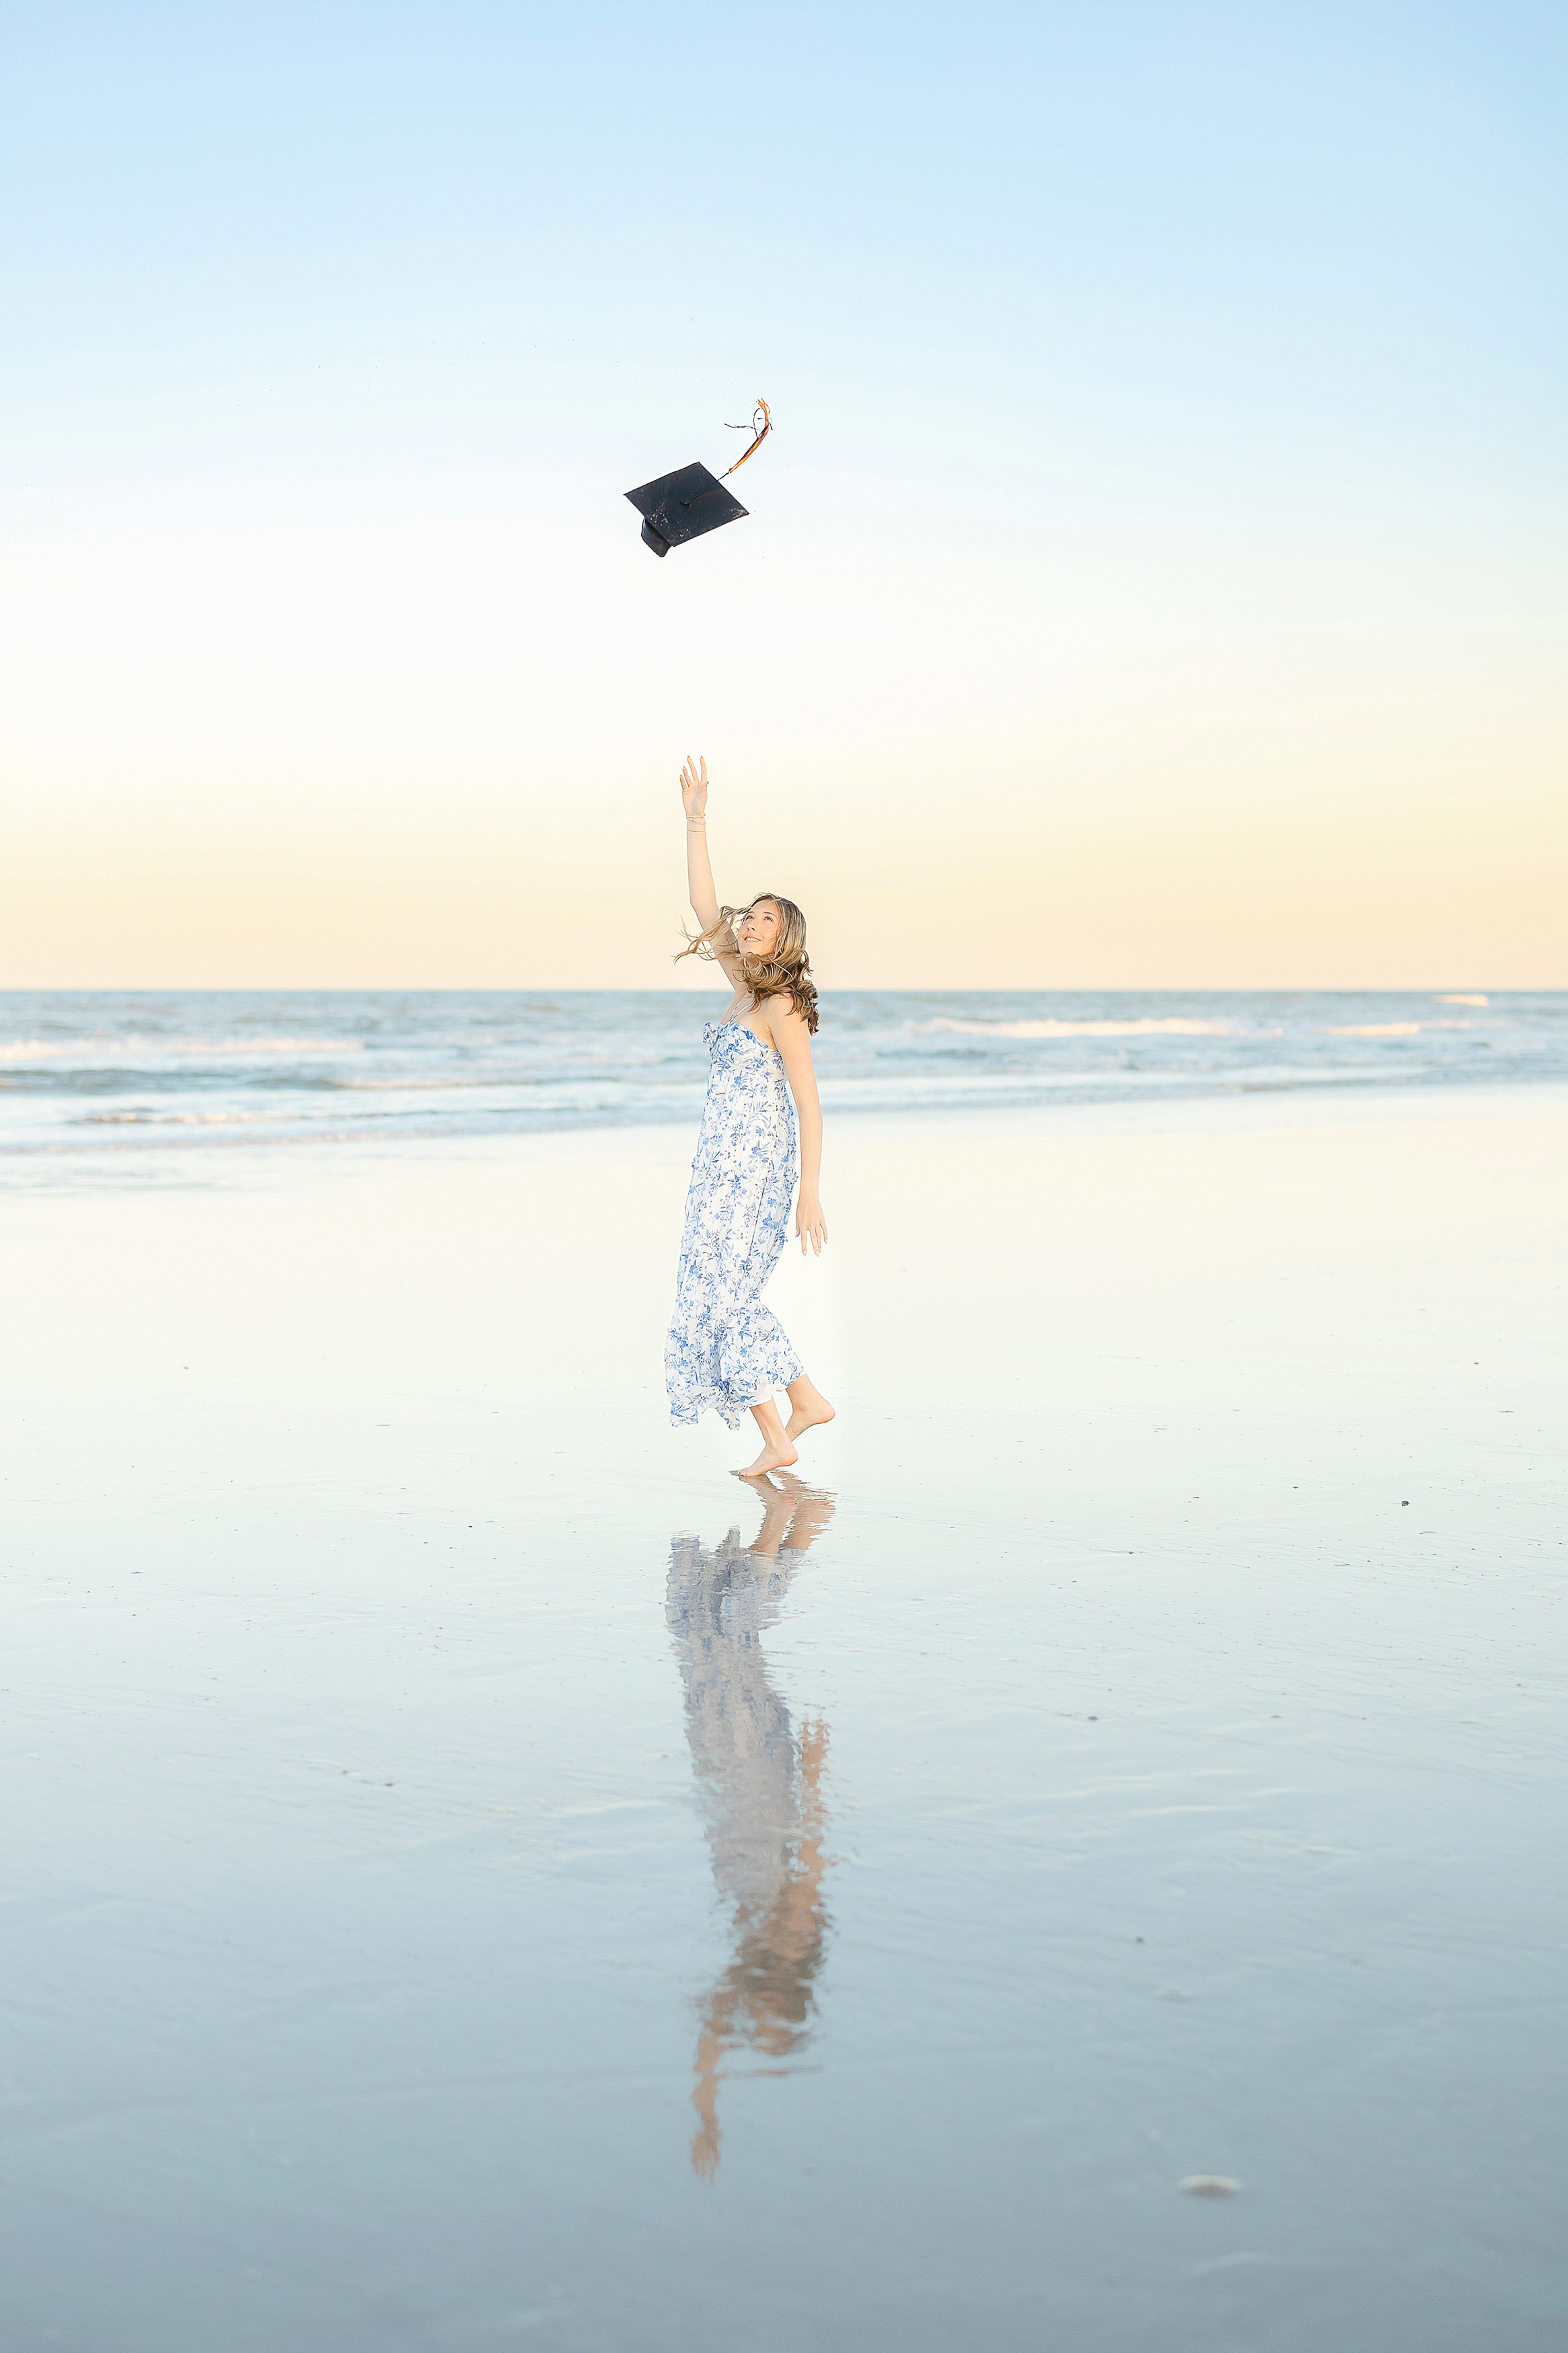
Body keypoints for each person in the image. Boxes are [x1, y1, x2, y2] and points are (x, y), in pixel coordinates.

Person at [664, 754, 835, 1477]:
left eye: (765, 919)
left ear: (783, 937)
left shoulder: (781, 1006)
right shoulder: (743, 986)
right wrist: (695, 822)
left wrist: (808, 1192)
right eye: (752, 914)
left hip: (756, 1169)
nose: (750, 923)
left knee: (724, 1293)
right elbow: (708, 908)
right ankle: (805, 1401)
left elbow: (808, 1103)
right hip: (718, 1166)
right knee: (709, 1285)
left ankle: (779, 1431)